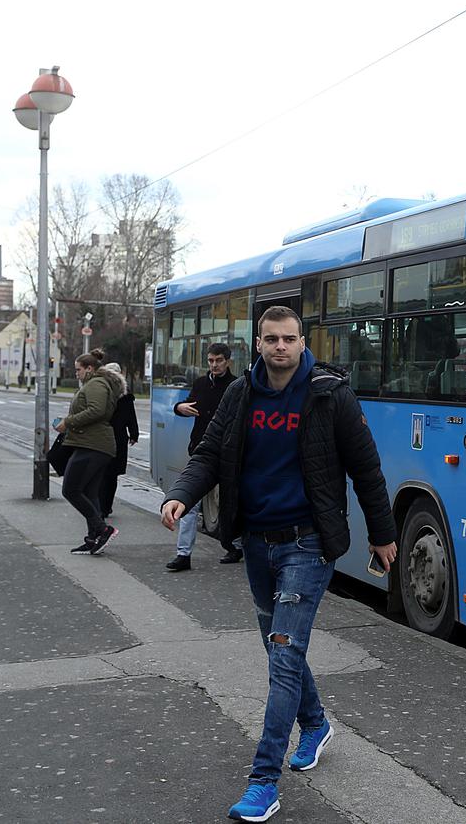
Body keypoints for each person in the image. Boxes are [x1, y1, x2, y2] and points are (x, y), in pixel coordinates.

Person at [160, 306, 397, 822]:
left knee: (284, 655)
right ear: (259, 343)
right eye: (271, 339)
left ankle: (263, 781)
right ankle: (314, 723)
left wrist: (383, 535)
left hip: (308, 544)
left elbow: (367, 470)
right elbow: (209, 454)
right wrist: (181, 495)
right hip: (258, 543)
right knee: (278, 647)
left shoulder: (330, 394)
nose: (281, 348)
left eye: (289, 339)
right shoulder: (241, 393)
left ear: (302, 341)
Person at [166, 341, 237, 571]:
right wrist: (180, 408)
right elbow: (186, 404)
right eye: (210, 361)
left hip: (228, 452)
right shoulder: (200, 383)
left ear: (227, 361)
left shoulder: (236, 386)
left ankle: (235, 546)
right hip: (200, 450)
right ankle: (183, 554)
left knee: (230, 501)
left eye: (218, 361)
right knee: (189, 503)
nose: (214, 365)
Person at [56, 353, 124, 555]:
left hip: (93, 445)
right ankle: (94, 537)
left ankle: (103, 529)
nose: (76, 373)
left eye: (78, 369)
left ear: (89, 368)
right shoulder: (96, 383)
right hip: (92, 444)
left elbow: (96, 410)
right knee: (89, 493)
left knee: (70, 489)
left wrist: (68, 422)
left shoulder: (96, 384)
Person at [98, 361, 139, 520]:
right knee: (112, 475)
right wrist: (134, 434)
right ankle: (106, 506)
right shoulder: (125, 395)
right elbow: (131, 416)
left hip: (103, 437)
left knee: (101, 473)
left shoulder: (102, 391)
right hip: (119, 438)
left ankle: (101, 506)